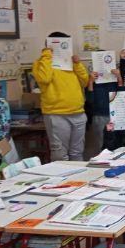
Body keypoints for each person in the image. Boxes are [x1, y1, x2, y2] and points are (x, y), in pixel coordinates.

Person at [33, 32, 89, 161]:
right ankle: (60, 181)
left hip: (78, 112)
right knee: (60, 154)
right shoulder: (41, 63)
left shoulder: (70, 62)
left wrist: (78, 64)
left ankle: (78, 180)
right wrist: (47, 55)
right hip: (56, 114)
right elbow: (44, 79)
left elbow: (84, 82)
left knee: (77, 152)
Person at [85, 67, 123, 152]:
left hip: (115, 116)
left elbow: (122, 95)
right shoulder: (94, 79)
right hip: (99, 116)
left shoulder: (114, 78)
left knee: (117, 146)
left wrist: (119, 77)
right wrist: (90, 81)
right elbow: (90, 100)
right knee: (102, 146)